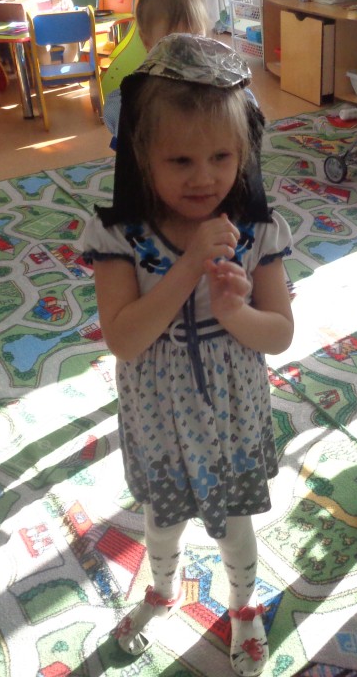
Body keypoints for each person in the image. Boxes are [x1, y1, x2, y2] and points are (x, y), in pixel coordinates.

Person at [80, 34, 295, 677]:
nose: (204, 177)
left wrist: (235, 314)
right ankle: (161, 589)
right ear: (140, 155)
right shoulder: (119, 235)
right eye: (179, 160)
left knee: (234, 523)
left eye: (221, 156)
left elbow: (280, 333)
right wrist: (191, 264)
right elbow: (124, 338)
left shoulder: (258, 231)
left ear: (245, 151)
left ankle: (243, 605)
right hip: (159, 410)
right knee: (162, 519)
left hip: (231, 406)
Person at [102, 0, 212, 144]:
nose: (186, 49)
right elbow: (113, 110)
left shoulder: (214, 78)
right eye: (173, 41)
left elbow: (246, 104)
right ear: (147, 42)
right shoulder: (139, 88)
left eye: (196, 37)